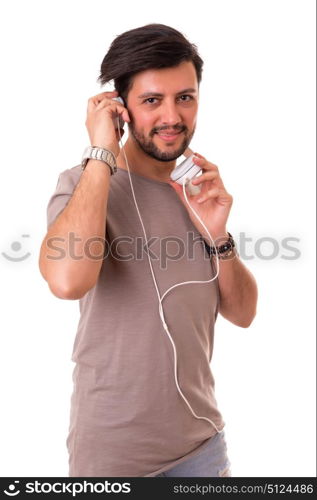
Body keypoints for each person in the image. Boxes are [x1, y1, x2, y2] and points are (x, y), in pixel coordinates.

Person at [39, 23, 258, 477]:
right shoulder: (82, 186)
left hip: (203, 447)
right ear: (120, 108)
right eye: (152, 100)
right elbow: (66, 282)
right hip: (114, 459)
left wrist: (218, 234)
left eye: (185, 97)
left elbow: (243, 313)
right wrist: (102, 151)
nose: (172, 117)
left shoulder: (199, 192)